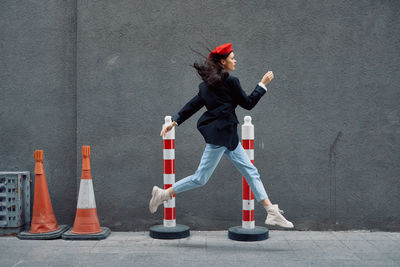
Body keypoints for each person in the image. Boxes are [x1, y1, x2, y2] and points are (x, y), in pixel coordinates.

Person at [149, 43, 294, 228]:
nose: (235, 61)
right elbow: (247, 103)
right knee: (201, 178)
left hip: (228, 137)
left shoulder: (207, 85)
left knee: (250, 172)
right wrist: (262, 85)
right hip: (220, 139)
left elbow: (192, 105)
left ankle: (271, 211)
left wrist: (176, 120)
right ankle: (162, 194)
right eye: (232, 58)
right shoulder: (230, 82)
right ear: (223, 61)